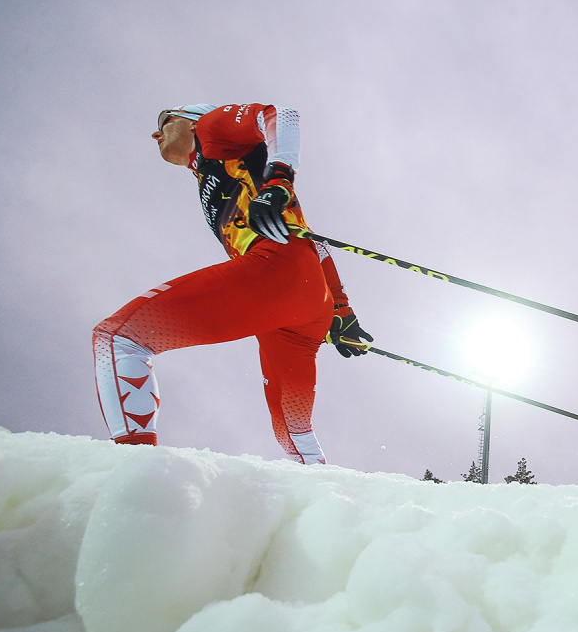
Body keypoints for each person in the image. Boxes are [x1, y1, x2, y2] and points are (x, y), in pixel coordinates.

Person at [93, 103, 373, 464]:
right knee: (292, 426)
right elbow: (312, 241)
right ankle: (323, 496)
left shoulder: (212, 129)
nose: (156, 132)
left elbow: (281, 115)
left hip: (274, 272)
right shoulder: (213, 171)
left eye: (165, 120)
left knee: (118, 338)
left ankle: (136, 474)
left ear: (189, 121)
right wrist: (341, 311)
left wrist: (279, 180)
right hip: (301, 301)